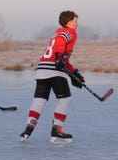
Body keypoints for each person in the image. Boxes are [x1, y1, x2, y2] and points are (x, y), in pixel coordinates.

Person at [20, 10, 85, 144]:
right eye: (75, 21)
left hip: (42, 69)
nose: (77, 24)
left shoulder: (57, 33)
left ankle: (29, 127)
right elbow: (60, 52)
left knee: (39, 100)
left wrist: (74, 74)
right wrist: (59, 58)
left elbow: (63, 59)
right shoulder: (69, 32)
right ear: (68, 23)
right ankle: (57, 128)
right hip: (54, 70)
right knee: (65, 99)